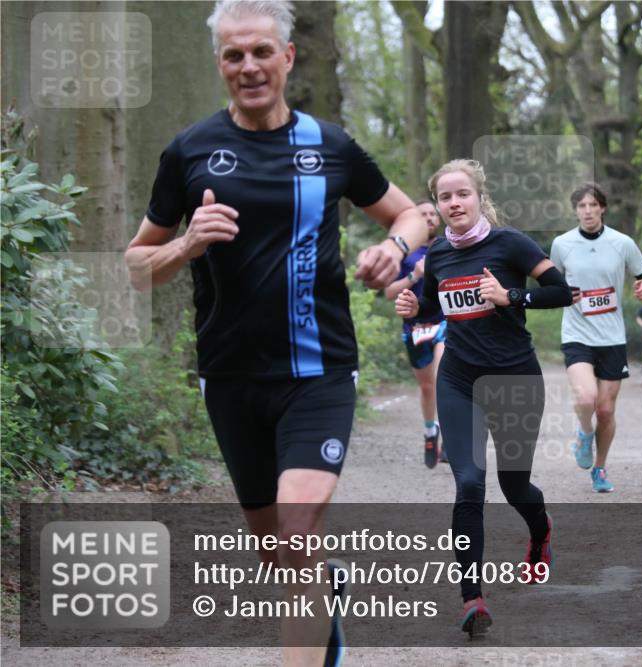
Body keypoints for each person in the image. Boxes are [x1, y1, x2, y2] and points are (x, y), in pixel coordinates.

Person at [123, 2, 427, 665]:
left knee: (295, 531)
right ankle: (324, 597)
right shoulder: (189, 151)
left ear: (288, 57)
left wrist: (394, 251)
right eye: (234, 55)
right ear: (220, 65)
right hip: (231, 377)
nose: (249, 66)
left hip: (319, 372)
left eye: (262, 51)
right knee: (279, 548)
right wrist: (186, 246)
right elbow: (135, 265)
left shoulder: (331, 146)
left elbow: (412, 215)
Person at [394, 159, 572, 636]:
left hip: (515, 379)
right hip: (459, 380)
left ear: (478, 196)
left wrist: (512, 297)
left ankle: (540, 531)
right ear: (438, 205)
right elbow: (434, 304)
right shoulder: (438, 254)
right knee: (469, 483)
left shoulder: (510, 243)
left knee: (515, 486)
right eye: (445, 197)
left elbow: (561, 292)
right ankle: (472, 599)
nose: (454, 203)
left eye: (462, 194)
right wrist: (415, 307)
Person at [550, 183, 642, 493]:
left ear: (602, 208)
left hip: (611, 337)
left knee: (606, 411)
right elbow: (550, 284)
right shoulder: (562, 244)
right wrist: (561, 294)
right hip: (577, 334)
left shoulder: (621, 243)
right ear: (576, 211)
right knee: (586, 399)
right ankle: (584, 433)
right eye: (581, 206)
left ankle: (600, 468)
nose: (587, 211)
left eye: (593, 205)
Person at [383, 199, 448, 468]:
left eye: (433, 214)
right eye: (423, 214)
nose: (430, 218)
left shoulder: (449, 246)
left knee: (443, 377)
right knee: (427, 386)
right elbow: (388, 292)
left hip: (446, 322)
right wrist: (414, 275)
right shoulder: (403, 252)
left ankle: (451, 440)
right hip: (415, 326)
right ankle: (430, 433)